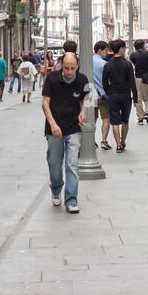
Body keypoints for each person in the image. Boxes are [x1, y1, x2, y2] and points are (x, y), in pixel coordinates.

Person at [42, 51, 89, 214]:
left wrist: (83, 111)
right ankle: (56, 189)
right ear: (61, 65)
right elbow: (45, 103)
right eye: (66, 68)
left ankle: (71, 199)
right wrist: (52, 123)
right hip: (54, 128)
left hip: (73, 127)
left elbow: (88, 98)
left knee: (72, 163)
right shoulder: (52, 78)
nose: (69, 72)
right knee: (54, 164)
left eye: (72, 68)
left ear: (77, 66)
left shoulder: (82, 79)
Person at [103, 38, 138, 153]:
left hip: (113, 94)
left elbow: (104, 82)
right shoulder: (127, 64)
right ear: (122, 49)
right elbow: (132, 83)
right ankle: (123, 142)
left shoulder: (107, 64)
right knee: (125, 120)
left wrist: (109, 93)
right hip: (125, 95)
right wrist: (136, 98)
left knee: (114, 120)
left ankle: (118, 144)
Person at [129, 39, 148, 124]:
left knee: (138, 97)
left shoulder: (132, 55)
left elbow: (133, 63)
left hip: (137, 77)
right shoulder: (147, 54)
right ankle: (147, 113)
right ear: (143, 46)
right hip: (146, 77)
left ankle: (140, 117)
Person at [92, 41, 112, 149]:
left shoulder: (87, 61)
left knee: (91, 118)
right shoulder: (104, 64)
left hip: (89, 94)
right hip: (102, 94)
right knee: (106, 118)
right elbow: (108, 81)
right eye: (105, 50)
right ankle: (104, 141)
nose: (107, 53)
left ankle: (91, 140)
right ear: (100, 50)